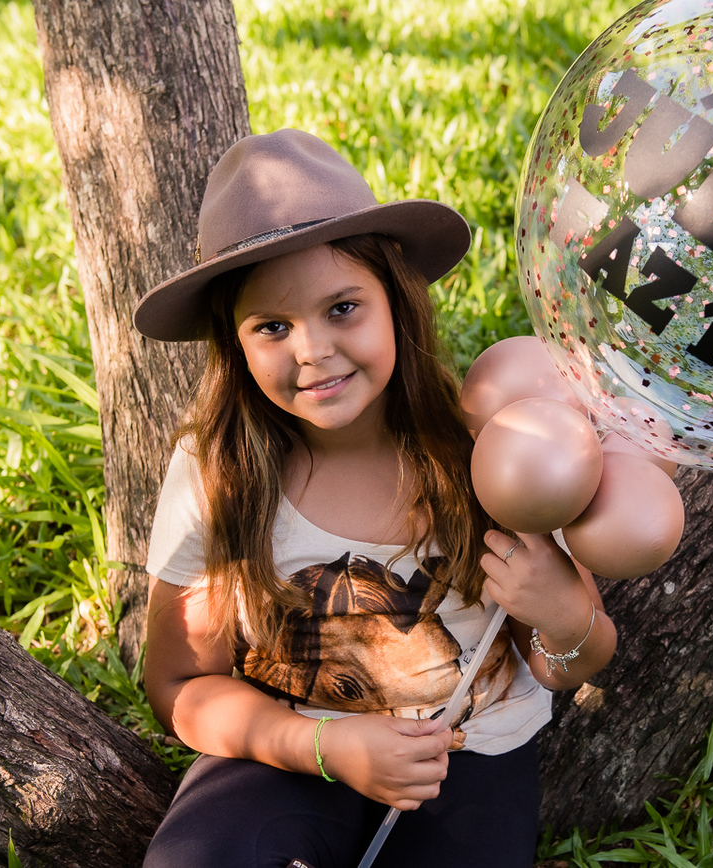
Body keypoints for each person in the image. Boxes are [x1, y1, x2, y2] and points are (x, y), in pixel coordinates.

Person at [133, 128, 617, 868]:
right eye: (272, 327)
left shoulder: (485, 450)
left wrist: (560, 612)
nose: (312, 351)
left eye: (342, 308)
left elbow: (570, 659)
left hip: (467, 756)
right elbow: (179, 683)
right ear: (235, 344)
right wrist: (323, 744)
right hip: (290, 746)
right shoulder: (219, 472)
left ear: (396, 300)